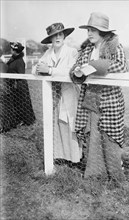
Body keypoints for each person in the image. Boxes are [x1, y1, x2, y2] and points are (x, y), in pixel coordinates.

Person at [70, 12, 128, 182]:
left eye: (93, 30)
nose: (89, 33)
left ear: (103, 32)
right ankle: (96, 175)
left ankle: (116, 177)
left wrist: (94, 66)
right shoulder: (87, 48)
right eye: (88, 29)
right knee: (93, 138)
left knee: (110, 139)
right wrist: (77, 71)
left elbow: (122, 66)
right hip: (90, 99)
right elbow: (77, 66)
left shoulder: (114, 46)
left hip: (110, 100)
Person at [32, 22, 82, 165]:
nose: (57, 38)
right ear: (50, 39)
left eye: (60, 34)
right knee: (58, 123)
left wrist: (50, 71)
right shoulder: (48, 53)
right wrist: (38, 69)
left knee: (70, 123)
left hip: (69, 92)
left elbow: (71, 72)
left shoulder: (71, 51)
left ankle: (75, 158)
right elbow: (35, 67)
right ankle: (61, 156)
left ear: (64, 36)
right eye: (54, 36)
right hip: (55, 95)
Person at [0, 42, 36, 133]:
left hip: (19, 84)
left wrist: (12, 75)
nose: (11, 50)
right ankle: (19, 119)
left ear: (14, 50)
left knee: (22, 102)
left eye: (12, 49)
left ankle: (26, 120)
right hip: (14, 84)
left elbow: (21, 74)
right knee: (17, 102)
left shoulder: (19, 61)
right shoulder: (13, 59)